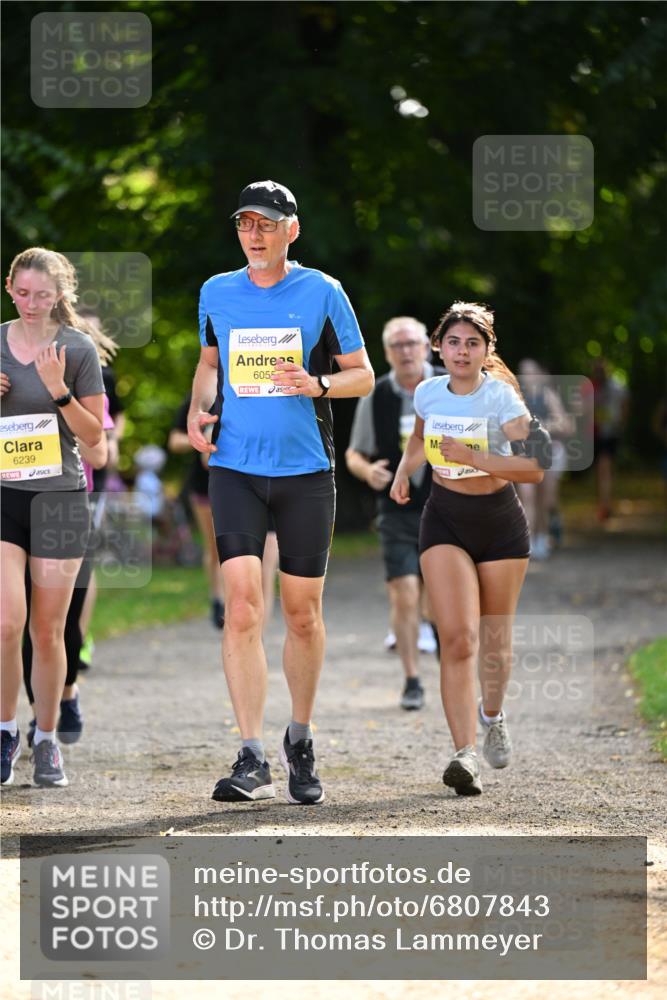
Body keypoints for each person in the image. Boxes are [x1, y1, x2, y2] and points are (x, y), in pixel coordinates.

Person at [187, 180, 374, 805]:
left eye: (266, 223)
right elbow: (210, 362)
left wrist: (315, 384)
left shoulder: (323, 291)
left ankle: (299, 737)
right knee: (242, 606)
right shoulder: (217, 291)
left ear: (292, 229)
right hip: (236, 467)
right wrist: (197, 411)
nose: (254, 234)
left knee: (301, 614)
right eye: (245, 224)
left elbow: (363, 378)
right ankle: (251, 752)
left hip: (305, 473)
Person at [390, 302, 546, 796]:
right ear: (439, 347)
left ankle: (493, 715)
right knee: (457, 638)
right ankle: (464, 754)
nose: (461, 351)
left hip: (499, 524)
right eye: (453, 342)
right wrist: (402, 470)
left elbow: (535, 467)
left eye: (472, 343)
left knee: (494, 640)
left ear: (486, 351)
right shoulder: (428, 391)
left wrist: (476, 456)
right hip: (445, 519)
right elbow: (419, 439)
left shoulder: (500, 398)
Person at [1, 247, 104, 787]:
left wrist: (59, 389)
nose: (32, 304)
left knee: (48, 629)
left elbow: (96, 442)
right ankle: (4, 732)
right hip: (4, 496)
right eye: (23, 293)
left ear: (60, 296)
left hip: (61, 497)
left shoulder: (77, 348)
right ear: (9, 288)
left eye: (43, 295)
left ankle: (46, 741)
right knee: (5, 621)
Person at [346, 316, 441, 710]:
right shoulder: (377, 393)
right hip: (396, 508)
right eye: (397, 346)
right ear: (386, 353)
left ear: (426, 346)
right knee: (404, 593)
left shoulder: (449, 387)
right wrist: (368, 471)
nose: (406, 351)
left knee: (439, 598)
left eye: (412, 343)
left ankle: (455, 669)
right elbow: (353, 453)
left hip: (447, 506)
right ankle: (412, 679)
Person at [169, 393, 280, 632]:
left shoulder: (256, 396)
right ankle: (218, 599)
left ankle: (258, 627)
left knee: (266, 562)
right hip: (206, 486)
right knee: (216, 548)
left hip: (259, 483)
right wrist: (200, 438)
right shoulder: (196, 401)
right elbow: (175, 441)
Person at [517, 359, 575, 559]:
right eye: (524, 372)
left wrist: (542, 426)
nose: (528, 377)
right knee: (527, 497)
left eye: (532, 372)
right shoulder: (517, 398)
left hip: (549, 453)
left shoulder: (548, 396)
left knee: (545, 499)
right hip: (526, 454)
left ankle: (543, 536)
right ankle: (528, 541)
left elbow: (566, 425)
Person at [591, 358, 629, 521]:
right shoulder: (592, 387)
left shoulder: (616, 386)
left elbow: (625, 404)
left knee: (604, 468)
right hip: (595, 434)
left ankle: (605, 505)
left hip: (609, 434)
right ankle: (605, 503)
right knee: (603, 470)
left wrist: (620, 423)